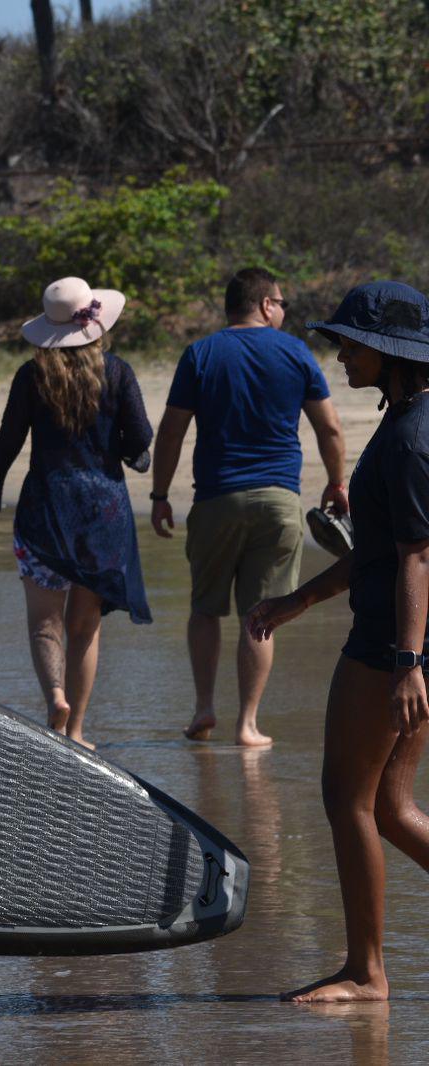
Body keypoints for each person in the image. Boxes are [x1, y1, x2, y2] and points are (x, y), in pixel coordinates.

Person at [246, 281, 429, 1003]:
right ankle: (365, 969)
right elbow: (378, 552)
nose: (342, 355)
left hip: (392, 644)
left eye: (352, 344)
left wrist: (407, 662)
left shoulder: (410, 439)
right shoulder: (410, 421)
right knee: (390, 807)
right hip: (409, 641)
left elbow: (417, 557)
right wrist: (296, 601)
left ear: (390, 352)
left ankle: (365, 973)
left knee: (346, 798)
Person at [0, 277, 153, 748]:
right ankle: (77, 731)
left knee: (44, 623)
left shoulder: (30, 377)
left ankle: (56, 696)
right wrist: (117, 447)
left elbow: (6, 446)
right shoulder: (118, 373)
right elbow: (140, 438)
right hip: (102, 515)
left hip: (44, 512)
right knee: (85, 627)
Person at [151, 268, 347, 747]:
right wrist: (337, 482)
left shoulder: (201, 353)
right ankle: (248, 724)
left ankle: (204, 708)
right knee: (262, 615)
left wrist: (159, 495)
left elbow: (172, 431)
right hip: (278, 500)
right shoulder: (295, 353)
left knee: (204, 609)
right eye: (281, 303)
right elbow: (329, 429)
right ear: (265, 304)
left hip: (216, 497)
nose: (283, 312)